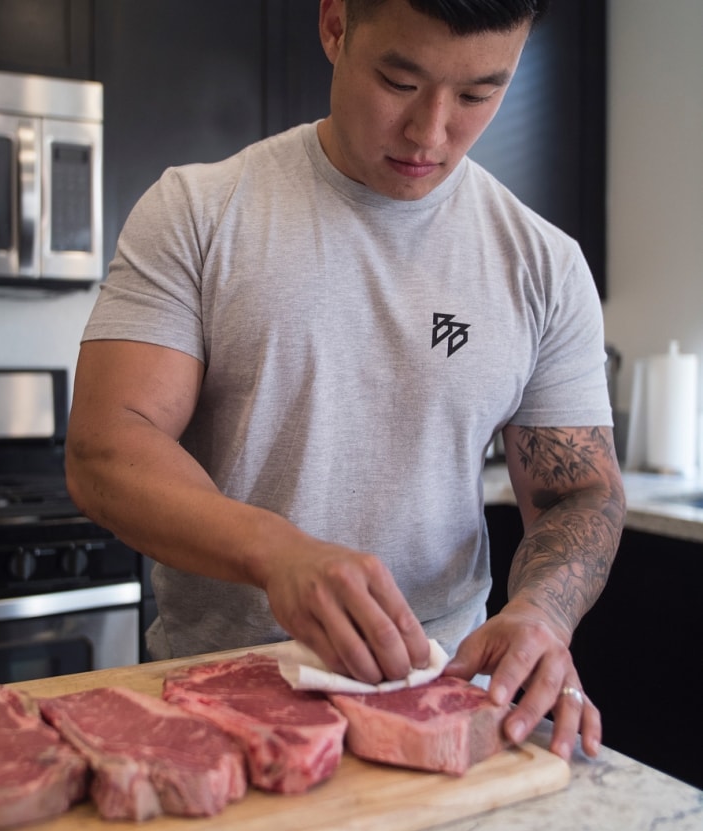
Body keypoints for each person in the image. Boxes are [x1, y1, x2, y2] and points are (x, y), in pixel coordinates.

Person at [66, 0, 626, 763]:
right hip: (220, 705)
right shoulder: (199, 211)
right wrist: (276, 551)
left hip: (445, 700)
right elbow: (107, 446)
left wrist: (543, 614)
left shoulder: (544, 265)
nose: (431, 133)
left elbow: (580, 492)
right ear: (335, 27)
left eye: (476, 95)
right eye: (400, 81)